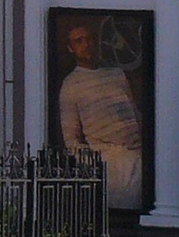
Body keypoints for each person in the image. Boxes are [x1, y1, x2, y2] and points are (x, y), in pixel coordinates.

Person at [54, 18, 144, 208]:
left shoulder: (117, 74)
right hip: (108, 164)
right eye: (79, 41)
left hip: (137, 157)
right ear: (71, 48)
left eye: (89, 39)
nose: (86, 45)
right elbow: (71, 139)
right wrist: (93, 165)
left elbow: (134, 113)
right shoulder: (71, 86)